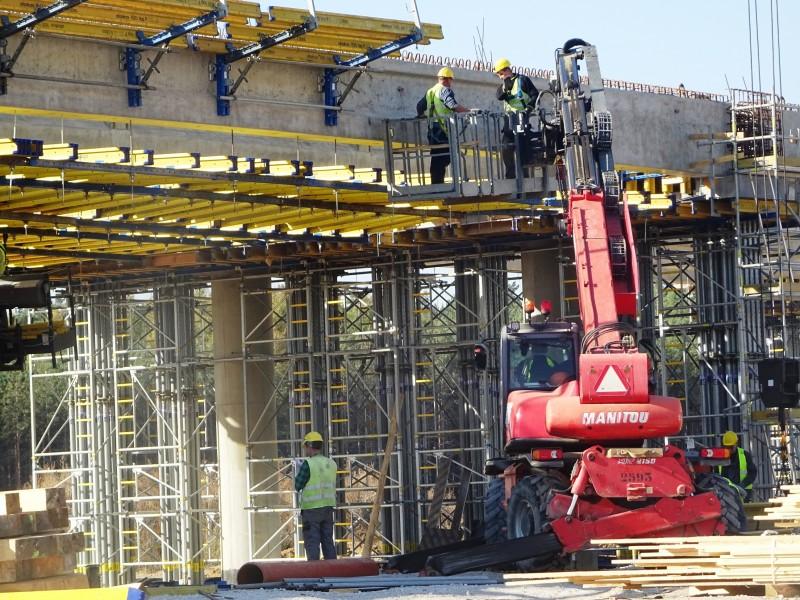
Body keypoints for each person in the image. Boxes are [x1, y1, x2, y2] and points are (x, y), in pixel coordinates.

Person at [416, 66, 470, 184]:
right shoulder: (445, 90)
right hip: (443, 131)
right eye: (450, 80)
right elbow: (453, 105)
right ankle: (438, 184)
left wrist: (421, 115)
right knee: (444, 157)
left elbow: (420, 106)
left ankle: (436, 184)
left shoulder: (430, 91)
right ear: (446, 79)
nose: (451, 83)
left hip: (432, 131)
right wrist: (468, 111)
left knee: (437, 157)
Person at [295, 431, 338, 560]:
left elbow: (298, 485)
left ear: (309, 445)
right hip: (328, 508)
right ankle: (333, 572)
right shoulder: (331, 463)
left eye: (305, 447)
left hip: (311, 508)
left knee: (312, 541)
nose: (305, 450)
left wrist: (299, 469)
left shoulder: (308, 464)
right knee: (327, 540)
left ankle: (314, 573)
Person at [493, 57, 539, 179]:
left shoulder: (523, 80)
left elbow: (535, 94)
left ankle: (525, 178)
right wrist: (505, 86)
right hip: (509, 121)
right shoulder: (503, 85)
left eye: (501, 74)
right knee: (506, 148)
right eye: (499, 75)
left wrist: (529, 108)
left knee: (523, 151)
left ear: (508, 69)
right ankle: (510, 177)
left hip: (522, 119)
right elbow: (499, 96)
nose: (501, 77)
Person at [717, 430, 757, 501]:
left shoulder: (745, 455)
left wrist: (743, 485)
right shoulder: (719, 458)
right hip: (725, 494)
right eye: (726, 447)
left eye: (731, 447)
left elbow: (752, 473)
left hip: (744, 494)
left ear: (736, 444)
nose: (728, 450)